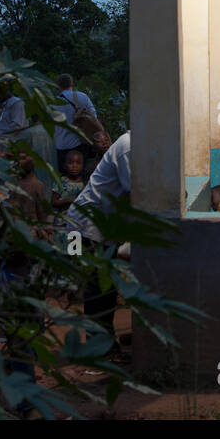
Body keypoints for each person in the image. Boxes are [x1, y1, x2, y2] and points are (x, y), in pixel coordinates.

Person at [63, 131, 132, 349]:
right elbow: (135, 192)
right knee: (97, 288)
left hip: (95, 226)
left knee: (104, 288)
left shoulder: (135, 146)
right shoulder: (129, 146)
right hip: (84, 225)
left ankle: (103, 343)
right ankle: (97, 346)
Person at [53, 74, 96, 173]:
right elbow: (93, 116)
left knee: (63, 176)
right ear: (72, 83)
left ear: (58, 86)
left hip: (60, 145)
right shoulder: (82, 97)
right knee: (79, 175)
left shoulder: (53, 101)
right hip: (79, 144)